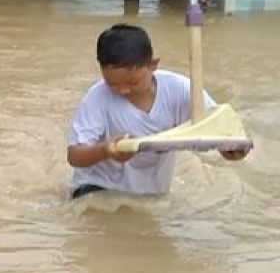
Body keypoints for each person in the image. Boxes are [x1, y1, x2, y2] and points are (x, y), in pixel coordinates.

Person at [67, 23, 249, 198]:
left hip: (151, 193)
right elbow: (74, 156)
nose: (123, 90)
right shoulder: (97, 98)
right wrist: (104, 151)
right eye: (113, 83)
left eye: (133, 82)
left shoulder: (181, 90)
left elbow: (216, 126)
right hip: (97, 187)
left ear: (153, 65)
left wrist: (230, 150)